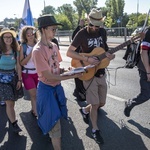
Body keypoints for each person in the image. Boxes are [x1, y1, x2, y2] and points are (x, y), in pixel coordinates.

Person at [32, 14, 82, 150]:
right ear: (43, 29)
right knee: (55, 127)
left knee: (56, 122)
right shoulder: (37, 51)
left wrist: (69, 70)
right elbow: (49, 76)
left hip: (57, 88)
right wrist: (73, 76)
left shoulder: (54, 45)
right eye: (52, 29)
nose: (55, 31)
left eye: (56, 29)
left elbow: (57, 69)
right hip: (47, 90)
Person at [67, 8, 115, 144]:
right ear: (88, 21)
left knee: (101, 103)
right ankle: (95, 130)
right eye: (91, 24)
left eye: (97, 25)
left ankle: (84, 109)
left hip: (100, 72)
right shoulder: (81, 34)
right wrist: (88, 60)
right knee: (95, 104)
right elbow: (70, 53)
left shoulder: (103, 32)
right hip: (88, 73)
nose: (94, 27)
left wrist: (111, 56)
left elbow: (104, 51)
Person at [124, 27, 150, 117]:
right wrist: (148, 72)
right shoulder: (148, 32)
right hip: (146, 68)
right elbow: (144, 52)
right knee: (146, 94)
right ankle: (130, 103)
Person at [0, 28, 22, 133]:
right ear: (2, 38)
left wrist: (20, 80)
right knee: (9, 102)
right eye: (6, 37)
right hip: (2, 80)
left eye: (10, 37)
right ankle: (14, 124)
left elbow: (18, 65)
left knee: (12, 103)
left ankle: (10, 116)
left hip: (13, 78)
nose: (8, 39)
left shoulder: (15, 50)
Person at [19, 26, 40, 117]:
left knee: (39, 94)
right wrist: (31, 53)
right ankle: (36, 112)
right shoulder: (23, 46)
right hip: (27, 74)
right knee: (33, 94)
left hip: (39, 73)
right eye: (28, 35)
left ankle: (34, 109)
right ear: (25, 36)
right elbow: (22, 62)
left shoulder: (39, 44)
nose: (30, 36)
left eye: (32, 34)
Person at [72, 19, 86, 101]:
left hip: (84, 56)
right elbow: (74, 39)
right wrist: (80, 26)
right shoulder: (77, 31)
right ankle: (79, 91)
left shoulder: (85, 31)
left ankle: (77, 91)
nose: (83, 23)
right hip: (77, 55)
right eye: (81, 22)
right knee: (78, 73)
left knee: (83, 73)